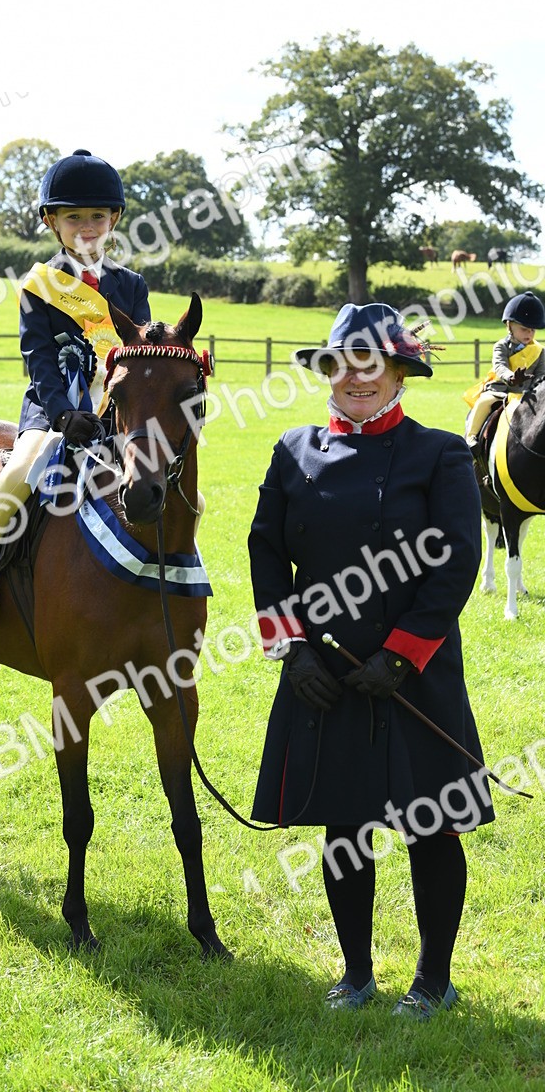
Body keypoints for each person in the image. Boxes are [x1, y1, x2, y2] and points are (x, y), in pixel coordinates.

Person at [249, 302, 495, 1020]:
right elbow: (266, 554)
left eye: (372, 366)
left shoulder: (441, 452)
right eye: (342, 364)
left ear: (397, 374)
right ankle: (356, 975)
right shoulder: (292, 449)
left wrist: (402, 654)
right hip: (326, 677)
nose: (356, 378)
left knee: (431, 825)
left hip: (413, 676)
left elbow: (454, 563)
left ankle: (434, 980)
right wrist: (292, 650)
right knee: (345, 825)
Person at [0, 149, 150, 633]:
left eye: (97, 216)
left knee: (167, 476)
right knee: (18, 472)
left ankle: (167, 579)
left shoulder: (132, 285)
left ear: (114, 218)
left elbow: (136, 355)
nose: (87, 226)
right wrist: (60, 415)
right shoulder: (39, 286)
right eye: (73, 217)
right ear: (50, 221)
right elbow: (38, 358)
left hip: (113, 413)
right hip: (53, 413)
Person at [464, 291, 545, 455]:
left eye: (532, 331)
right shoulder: (500, 346)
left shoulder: (540, 351)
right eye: (524, 329)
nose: (529, 334)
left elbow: (541, 375)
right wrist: (511, 377)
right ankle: (470, 438)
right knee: (484, 402)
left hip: (528, 394)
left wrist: (535, 388)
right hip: (501, 390)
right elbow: (499, 367)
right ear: (509, 325)